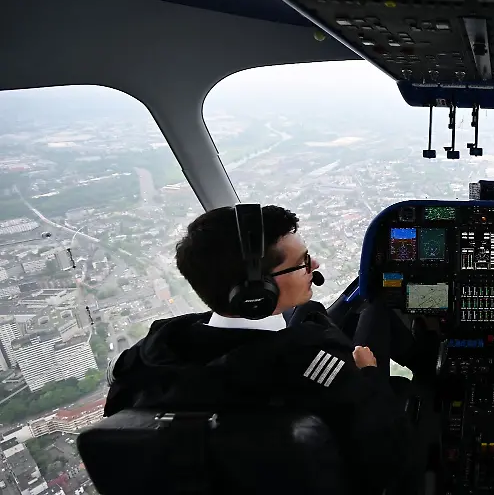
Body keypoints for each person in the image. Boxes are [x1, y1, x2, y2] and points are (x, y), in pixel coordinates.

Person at [104, 205, 413, 494]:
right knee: (375, 314)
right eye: (302, 262)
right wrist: (368, 375)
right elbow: (390, 459)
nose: (314, 265)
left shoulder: (143, 360)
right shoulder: (320, 369)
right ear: (255, 292)